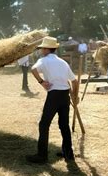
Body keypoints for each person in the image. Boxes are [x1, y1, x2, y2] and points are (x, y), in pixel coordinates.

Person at [27, 36, 78, 164]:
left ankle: (42, 155)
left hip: (54, 95)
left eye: (42, 48)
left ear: (46, 49)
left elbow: (33, 69)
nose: (40, 51)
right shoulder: (63, 62)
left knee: (44, 124)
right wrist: (74, 95)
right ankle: (68, 154)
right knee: (64, 125)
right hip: (65, 95)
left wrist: (42, 82)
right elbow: (75, 81)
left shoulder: (44, 60)